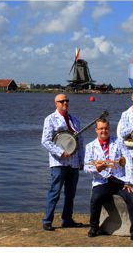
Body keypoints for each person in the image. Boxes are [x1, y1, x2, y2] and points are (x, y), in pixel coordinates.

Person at [83, 117, 133, 242]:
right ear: (96, 130)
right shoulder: (90, 146)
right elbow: (86, 166)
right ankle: (94, 227)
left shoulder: (119, 142)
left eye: (106, 128)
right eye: (101, 129)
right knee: (95, 199)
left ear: (109, 129)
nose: (103, 131)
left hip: (119, 179)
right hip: (102, 180)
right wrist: (97, 168)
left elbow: (127, 163)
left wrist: (130, 182)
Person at [40, 94, 84, 231]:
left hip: (74, 162)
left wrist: (82, 160)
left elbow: (80, 141)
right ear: (56, 103)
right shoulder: (50, 119)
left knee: (71, 193)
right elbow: (45, 141)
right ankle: (47, 220)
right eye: (62, 101)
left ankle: (67, 219)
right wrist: (60, 152)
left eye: (67, 100)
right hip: (58, 162)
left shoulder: (75, 119)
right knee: (55, 192)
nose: (65, 102)